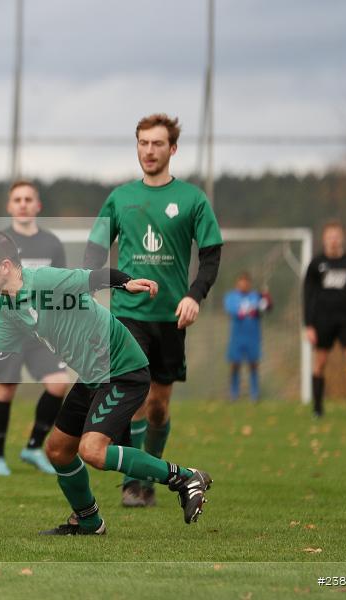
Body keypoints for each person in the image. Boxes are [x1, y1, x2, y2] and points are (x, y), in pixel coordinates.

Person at [0, 231, 213, 535]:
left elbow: (93, 278)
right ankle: (89, 522)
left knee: (93, 451)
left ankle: (185, 477)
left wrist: (126, 282)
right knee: (58, 450)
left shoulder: (45, 281)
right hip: (92, 377)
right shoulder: (7, 307)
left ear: (5, 266)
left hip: (122, 371)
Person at [84, 113, 222, 508]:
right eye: (143, 143)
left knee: (159, 407)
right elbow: (94, 252)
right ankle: (134, 482)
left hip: (170, 319)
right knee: (137, 399)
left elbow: (211, 255)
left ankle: (153, 473)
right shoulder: (120, 198)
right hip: (128, 315)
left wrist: (194, 295)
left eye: (157, 143)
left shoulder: (192, 199)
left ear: (172, 148)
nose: (149, 150)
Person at [0, 180, 70, 476]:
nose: (23, 204)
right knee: (5, 390)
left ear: (38, 205)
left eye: (28, 199)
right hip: (7, 332)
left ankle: (33, 447)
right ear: (10, 206)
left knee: (58, 383)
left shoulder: (52, 244)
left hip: (42, 332)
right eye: (17, 199)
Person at [303, 221, 346, 419]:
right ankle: (317, 410)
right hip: (322, 320)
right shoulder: (316, 264)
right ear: (324, 239)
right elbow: (308, 296)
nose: (333, 240)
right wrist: (309, 325)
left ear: (342, 238)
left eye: (336, 236)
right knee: (320, 362)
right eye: (330, 237)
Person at [223, 272, 272, 401]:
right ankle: (234, 394)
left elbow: (267, 308)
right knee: (235, 364)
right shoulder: (231, 297)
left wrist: (266, 297)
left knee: (253, 364)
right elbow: (233, 311)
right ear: (237, 283)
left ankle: (254, 394)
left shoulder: (255, 296)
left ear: (249, 284)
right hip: (237, 337)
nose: (244, 285)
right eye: (241, 282)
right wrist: (251, 310)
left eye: (246, 282)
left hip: (253, 337)